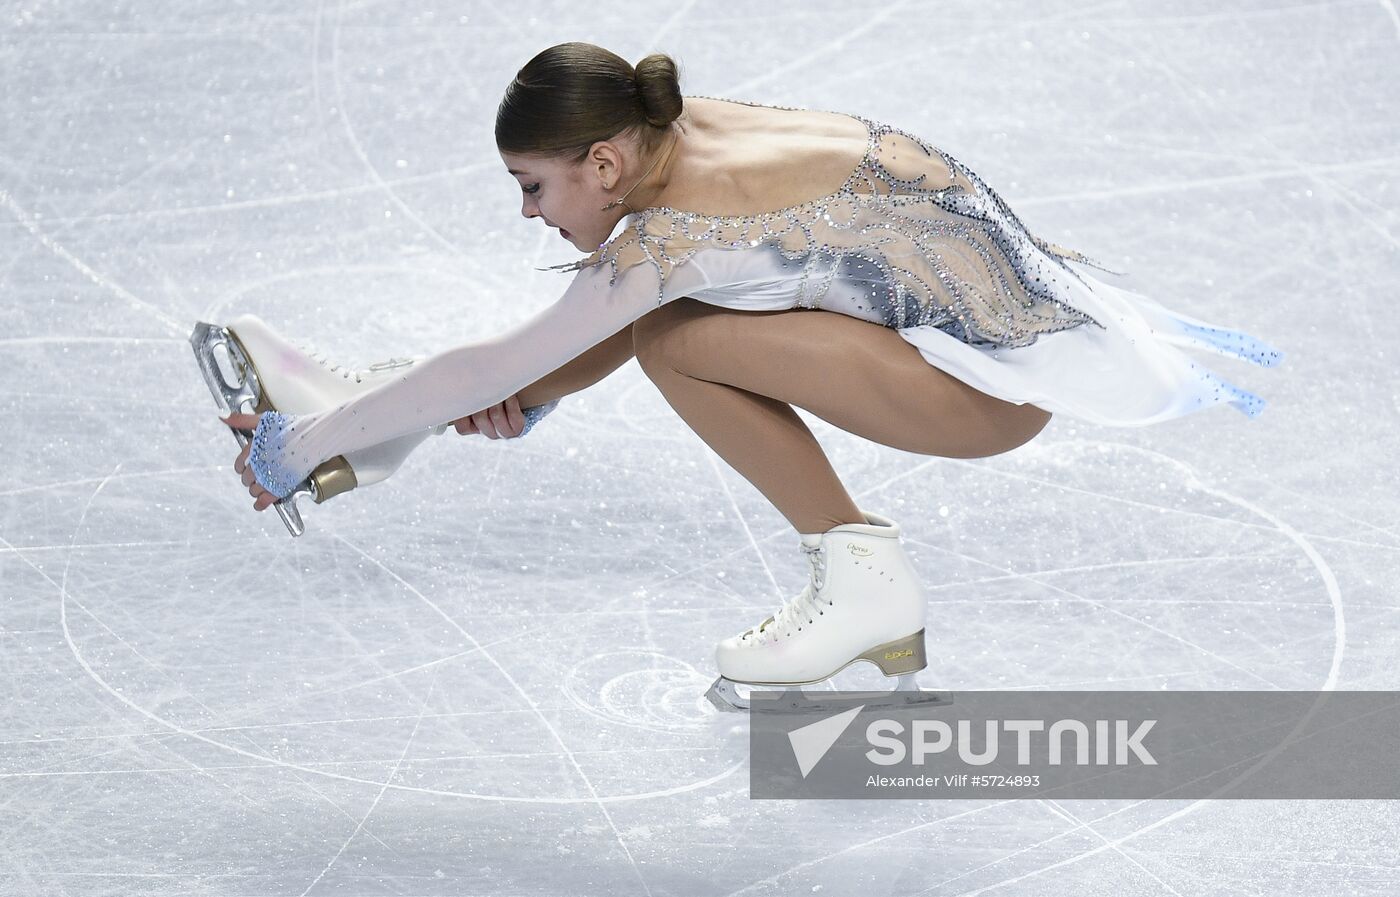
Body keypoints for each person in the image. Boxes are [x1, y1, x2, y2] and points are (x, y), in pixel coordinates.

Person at [218, 42, 1282, 707]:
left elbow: (525, 347)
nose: (529, 214)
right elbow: (559, 334)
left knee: (672, 337)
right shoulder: (682, 135)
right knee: (653, 309)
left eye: (531, 186)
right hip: (992, 343)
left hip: (985, 398)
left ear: (600, 162)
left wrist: (293, 447)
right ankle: (383, 424)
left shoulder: (674, 228)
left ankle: (865, 583)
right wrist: (505, 395)